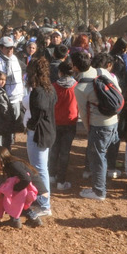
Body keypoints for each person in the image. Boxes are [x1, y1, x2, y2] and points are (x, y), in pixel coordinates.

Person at [73, 50, 122, 201]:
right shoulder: (102, 71)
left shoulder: (80, 88)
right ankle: (100, 185)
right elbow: (118, 91)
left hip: (98, 125)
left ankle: (99, 191)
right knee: (103, 155)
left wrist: (89, 130)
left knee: (97, 157)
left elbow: (83, 113)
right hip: (113, 120)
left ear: (75, 67)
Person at [24, 57, 56, 218]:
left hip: (38, 132)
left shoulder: (37, 91)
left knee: (39, 169)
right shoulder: (50, 88)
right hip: (49, 130)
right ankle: (42, 200)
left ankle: (44, 205)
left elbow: (39, 110)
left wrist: (31, 123)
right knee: (42, 167)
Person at [0, 146, 40, 228]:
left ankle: (15, 220)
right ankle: (34, 218)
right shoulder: (12, 162)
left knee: (12, 200)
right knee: (21, 202)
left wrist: (13, 190)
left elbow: (26, 179)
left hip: (33, 189)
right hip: (34, 188)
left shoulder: (13, 165)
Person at [49, 59, 79, 191]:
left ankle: (51, 175)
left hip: (55, 122)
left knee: (54, 149)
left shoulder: (53, 86)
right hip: (70, 122)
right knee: (65, 152)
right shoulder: (76, 86)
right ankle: (61, 181)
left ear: (60, 72)